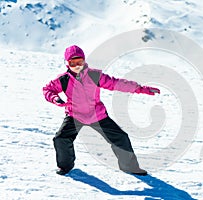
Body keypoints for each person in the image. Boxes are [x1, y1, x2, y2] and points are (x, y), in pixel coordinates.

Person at [43, 45, 160, 176]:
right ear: (67, 63)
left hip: (96, 115)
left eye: (79, 62)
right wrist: (55, 98)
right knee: (61, 139)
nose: (76, 66)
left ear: (84, 61)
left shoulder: (94, 75)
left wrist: (141, 88)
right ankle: (65, 166)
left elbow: (116, 83)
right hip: (74, 115)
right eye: (72, 63)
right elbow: (48, 89)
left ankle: (130, 166)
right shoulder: (63, 79)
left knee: (120, 137)